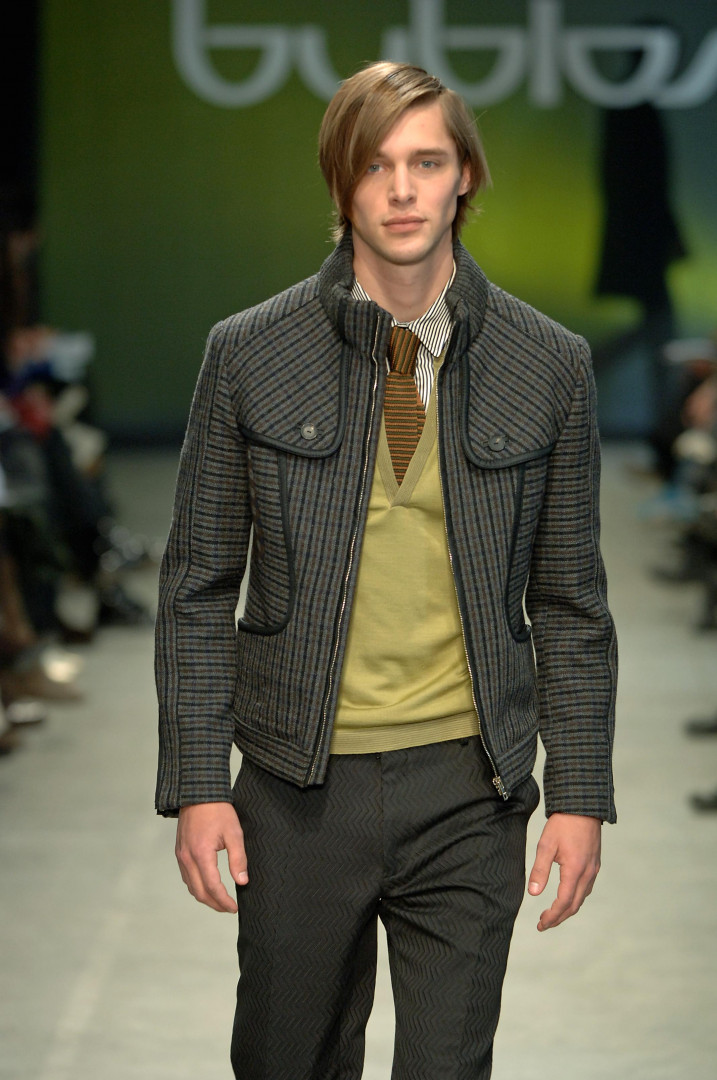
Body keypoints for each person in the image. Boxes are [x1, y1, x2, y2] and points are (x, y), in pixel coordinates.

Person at [155, 61, 617, 1080]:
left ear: (465, 178)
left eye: (427, 162)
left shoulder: (549, 364)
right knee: (285, 1061)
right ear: (340, 181)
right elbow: (196, 586)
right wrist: (195, 782)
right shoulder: (249, 353)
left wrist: (579, 791)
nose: (402, 189)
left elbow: (571, 602)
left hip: (471, 784)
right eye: (375, 165)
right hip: (296, 786)